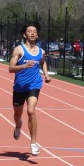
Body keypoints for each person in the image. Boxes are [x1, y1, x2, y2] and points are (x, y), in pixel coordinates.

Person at [9, 21, 50, 155]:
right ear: (24, 35)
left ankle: (33, 143)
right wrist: (24, 66)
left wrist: (46, 74)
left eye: (35, 31)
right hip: (20, 87)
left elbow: (43, 63)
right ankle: (18, 125)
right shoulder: (19, 50)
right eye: (29, 31)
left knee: (31, 111)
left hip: (34, 84)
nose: (32, 33)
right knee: (17, 115)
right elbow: (10, 68)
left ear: (37, 35)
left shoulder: (41, 51)